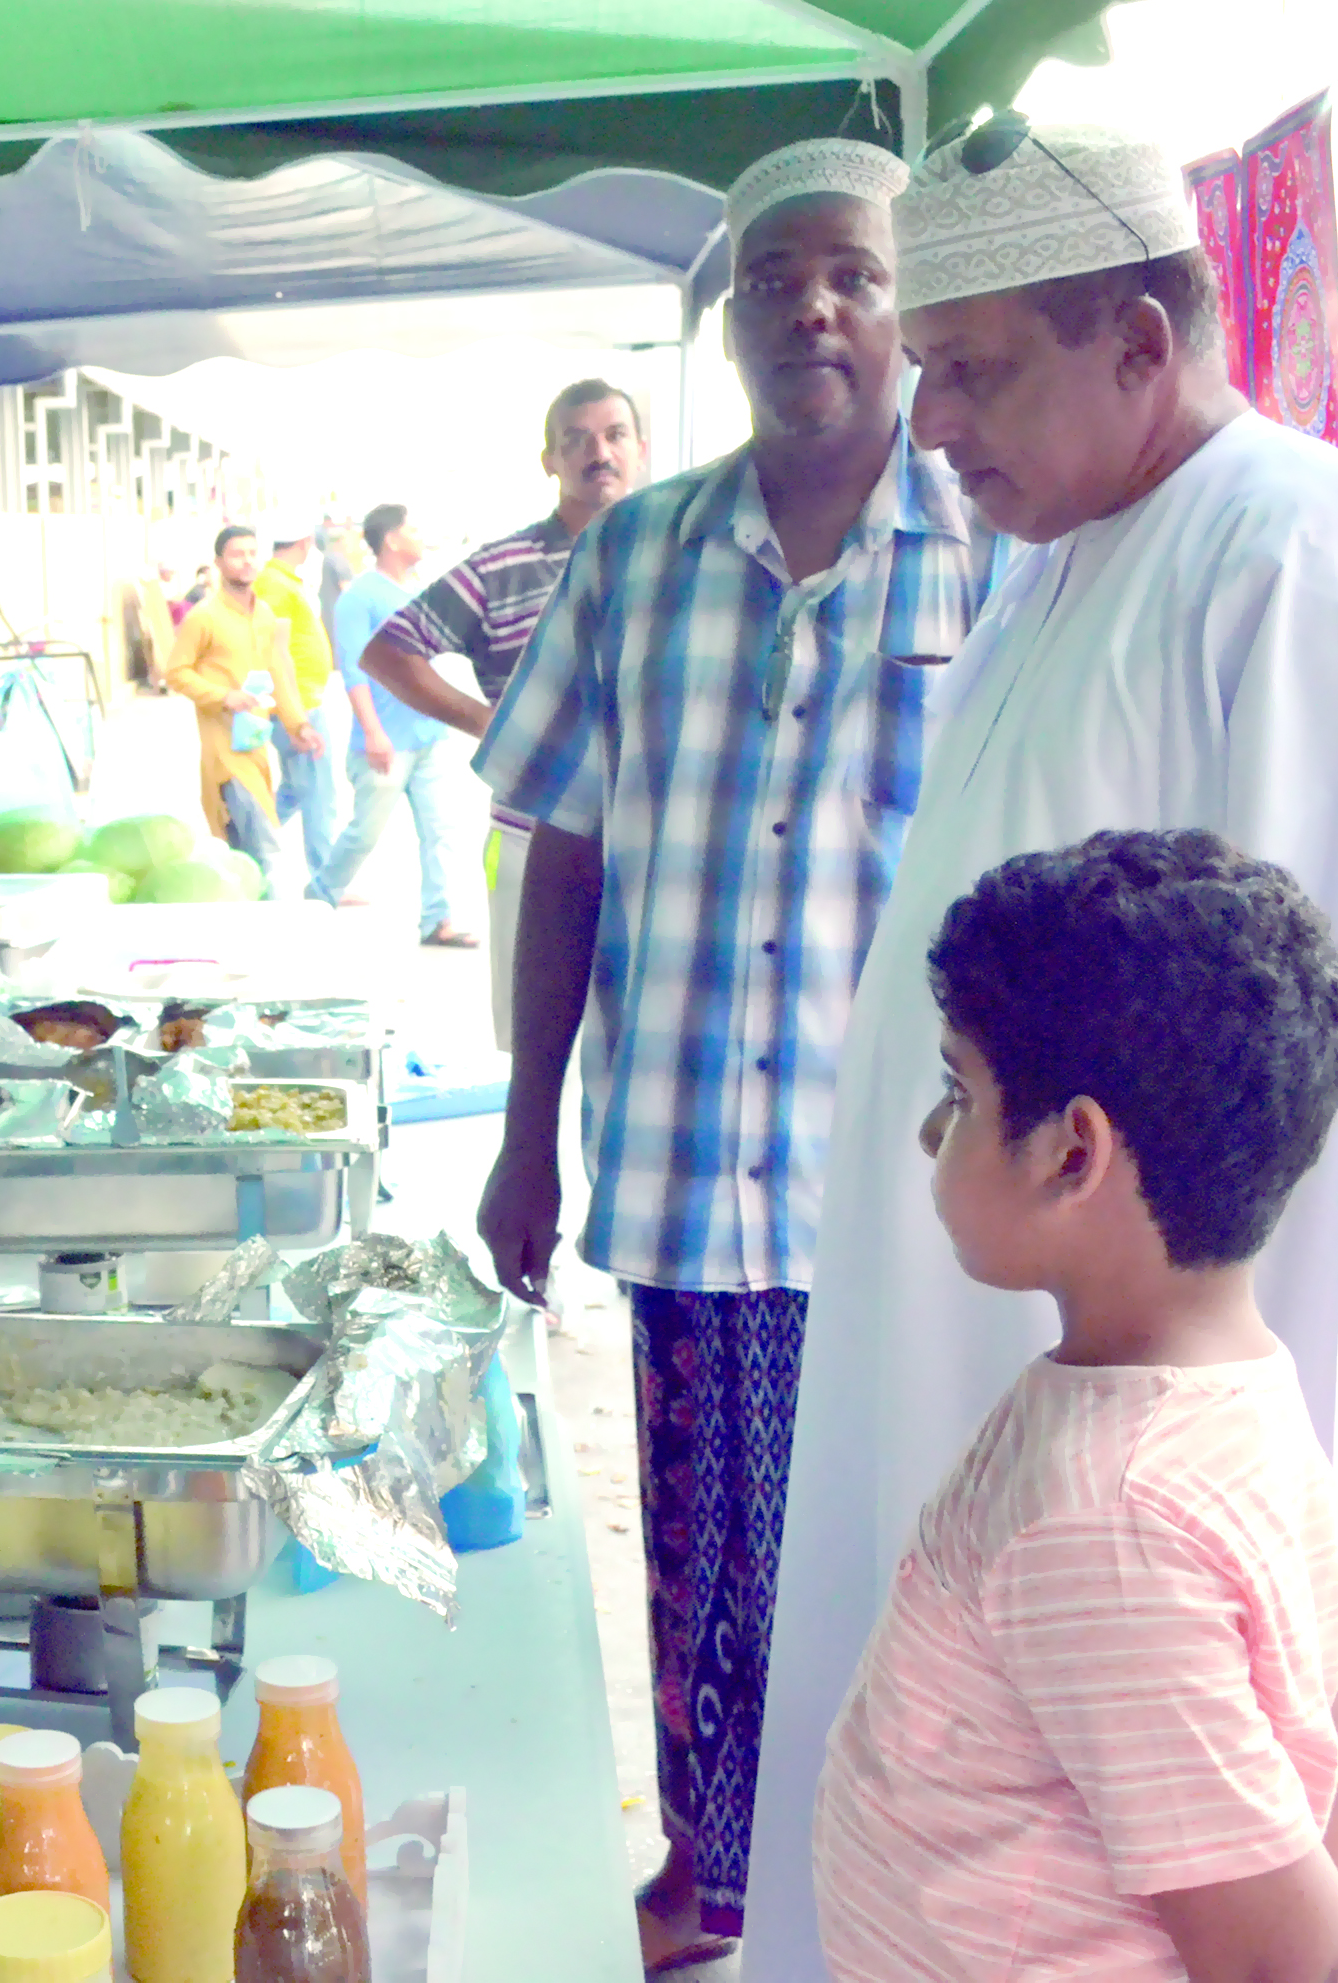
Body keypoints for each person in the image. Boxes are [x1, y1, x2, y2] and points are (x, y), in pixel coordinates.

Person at [748, 117, 1338, 1981]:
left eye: (972, 371)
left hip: (1171, 1468)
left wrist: (1242, 1540)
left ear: (1135, 340)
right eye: (928, 371)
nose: (927, 423)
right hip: (1032, 1395)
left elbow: (1313, 1099)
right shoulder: (1067, 542)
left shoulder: (1294, 564)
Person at [469, 137, 1002, 1973]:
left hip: (923, 1183)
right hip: (693, 1160)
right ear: (730, 321)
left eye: (848, 271)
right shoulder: (632, 557)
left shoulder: (994, 553)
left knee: (902, 1552)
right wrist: (523, 1131)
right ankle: (715, 1874)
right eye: (771, 277)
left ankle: (870, 1880)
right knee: (702, 1558)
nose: (812, 307)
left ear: (907, 306)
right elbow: (564, 846)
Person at [815, 830, 1338, 1983]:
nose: (933, 1131)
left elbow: (1291, 1961)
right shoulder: (1231, 1388)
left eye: (960, 1089)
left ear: (1071, 1153)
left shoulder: (1104, 1520)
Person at [362, 381, 649, 1042]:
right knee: (540, 1033)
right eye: (575, 440)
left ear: (640, 450)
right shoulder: (503, 566)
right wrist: (492, 724)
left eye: (613, 436)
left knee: (646, 1035)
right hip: (532, 831)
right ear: (548, 460)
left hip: (657, 832)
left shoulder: (680, 556)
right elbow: (388, 652)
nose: (596, 452)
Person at [305, 503, 470, 944]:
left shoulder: (417, 589)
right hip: (386, 741)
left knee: (441, 832)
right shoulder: (361, 597)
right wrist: (373, 731)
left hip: (429, 734)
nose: (420, 534)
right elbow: (355, 669)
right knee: (364, 835)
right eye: (413, 527)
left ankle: (439, 920)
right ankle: (315, 901)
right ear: (392, 539)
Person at [163, 523, 319, 864]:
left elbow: (278, 671)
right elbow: (174, 672)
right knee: (266, 850)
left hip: (255, 744)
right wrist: (223, 696)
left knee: (241, 855)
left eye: (252, 553)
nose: (247, 561)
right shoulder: (203, 617)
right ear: (219, 563)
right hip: (225, 752)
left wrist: (298, 725)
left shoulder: (263, 615)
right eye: (237, 555)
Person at [261, 524, 346, 874]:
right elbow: (272, 648)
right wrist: (295, 713)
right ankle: (325, 877)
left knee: (297, 789)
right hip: (297, 704)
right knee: (318, 794)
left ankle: (248, 846)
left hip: (300, 699)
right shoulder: (275, 583)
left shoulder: (283, 580)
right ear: (306, 543)